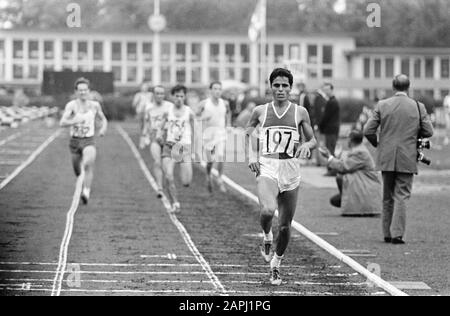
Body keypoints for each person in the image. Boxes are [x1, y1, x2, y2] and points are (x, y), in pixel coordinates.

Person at [246, 68, 317, 286]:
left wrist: (306, 145)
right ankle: (267, 235)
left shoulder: (300, 112)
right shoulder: (260, 111)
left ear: (290, 88)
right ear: (270, 87)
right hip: (267, 166)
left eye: (285, 85)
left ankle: (276, 264)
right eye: (276, 85)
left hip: (290, 170)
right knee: (268, 210)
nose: (280, 89)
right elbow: (248, 130)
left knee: (285, 226)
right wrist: (251, 155)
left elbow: (313, 140)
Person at [364, 74, 434, 245]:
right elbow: (429, 131)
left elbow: (368, 130)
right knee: (402, 195)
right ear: (408, 87)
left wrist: (378, 144)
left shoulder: (382, 105)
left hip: (386, 156)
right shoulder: (418, 106)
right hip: (407, 156)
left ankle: (386, 233)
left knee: (387, 196)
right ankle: (397, 234)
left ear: (393, 87)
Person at [60, 77, 108, 205]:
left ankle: (86, 191)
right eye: (80, 90)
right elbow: (62, 122)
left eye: (85, 90)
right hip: (75, 141)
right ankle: (81, 179)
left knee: (87, 164)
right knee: (77, 170)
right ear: (76, 91)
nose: (83, 92)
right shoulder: (71, 105)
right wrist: (74, 121)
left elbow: (103, 119)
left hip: (89, 140)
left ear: (89, 91)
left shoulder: (94, 105)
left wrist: (103, 128)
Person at [319, 130, 382, 216]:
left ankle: (357, 207)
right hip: (366, 186)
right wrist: (335, 157)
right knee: (335, 199)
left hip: (366, 188)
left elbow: (344, 167)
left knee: (340, 177)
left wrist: (329, 157)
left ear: (350, 140)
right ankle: (353, 205)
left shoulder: (359, 152)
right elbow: (346, 163)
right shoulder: (359, 149)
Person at [158, 85, 195, 213]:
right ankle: (175, 203)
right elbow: (162, 125)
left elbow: (196, 130)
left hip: (184, 147)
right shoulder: (168, 111)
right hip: (169, 146)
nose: (179, 98)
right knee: (168, 176)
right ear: (173, 97)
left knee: (186, 181)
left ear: (184, 97)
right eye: (177, 96)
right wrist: (159, 134)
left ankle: (184, 176)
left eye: (181, 96)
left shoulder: (189, 112)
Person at [197, 81, 231, 193]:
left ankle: (220, 178)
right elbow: (195, 117)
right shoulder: (204, 104)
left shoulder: (225, 103)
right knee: (210, 160)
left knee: (221, 156)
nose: (217, 91)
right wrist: (203, 118)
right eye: (215, 89)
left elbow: (228, 113)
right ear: (210, 90)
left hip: (221, 133)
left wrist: (228, 125)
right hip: (208, 134)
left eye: (219, 89)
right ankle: (208, 175)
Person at [143, 85, 173, 198]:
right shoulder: (149, 107)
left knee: (166, 166)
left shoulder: (170, 107)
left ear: (164, 95)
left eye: (161, 93)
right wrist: (144, 135)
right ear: (154, 95)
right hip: (154, 136)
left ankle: (169, 182)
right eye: (157, 93)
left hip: (167, 137)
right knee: (156, 161)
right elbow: (146, 122)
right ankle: (159, 187)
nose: (159, 96)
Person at [319, 83, 341, 176]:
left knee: (330, 150)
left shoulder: (332, 102)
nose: (326, 91)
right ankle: (332, 168)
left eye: (327, 89)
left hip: (331, 130)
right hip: (331, 129)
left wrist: (320, 126)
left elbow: (326, 117)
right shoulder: (331, 101)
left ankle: (332, 169)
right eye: (324, 89)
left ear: (332, 90)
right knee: (330, 148)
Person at [133, 82, 153, 148]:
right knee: (142, 127)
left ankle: (148, 137)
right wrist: (137, 101)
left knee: (149, 126)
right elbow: (133, 104)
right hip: (141, 113)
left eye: (146, 87)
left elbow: (154, 103)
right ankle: (142, 143)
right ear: (141, 87)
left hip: (149, 113)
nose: (145, 88)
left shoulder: (151, 94)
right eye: (143, 87)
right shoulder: (138, 95)